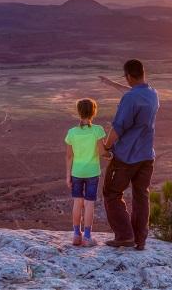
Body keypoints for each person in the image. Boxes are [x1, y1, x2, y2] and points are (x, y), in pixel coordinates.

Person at [99, 59, 160, 251]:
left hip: (126, 157)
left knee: (111, 193)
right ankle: (140, 239)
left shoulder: (130, 99)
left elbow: (118, 127)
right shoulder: (152, 93)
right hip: (146, 156)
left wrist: (107, 146)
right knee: (141, 195)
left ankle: (125, 236)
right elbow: (133, 93)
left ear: (129, 76)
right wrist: (111, 84)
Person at [64, 98, 108, 247]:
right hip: (92, 173)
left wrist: (68, 175)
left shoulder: (71, 133)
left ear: (79, 112)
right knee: (89, 204)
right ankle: (87, 237)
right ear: (93, 112)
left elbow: (69, 156)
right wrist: (111, 155)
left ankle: (76, 235)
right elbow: (102, 152)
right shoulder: (98, 130)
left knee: (77, 202)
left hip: (77, 172)